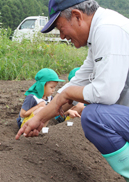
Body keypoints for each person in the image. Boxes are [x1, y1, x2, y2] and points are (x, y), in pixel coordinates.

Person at [15, 0, 129, 181]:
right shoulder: (100, 32)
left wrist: (67, 96)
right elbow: (77, 82)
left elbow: (105, 93)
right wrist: (41, 117)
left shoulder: (109, 29)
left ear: (77, 16)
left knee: (94, 116)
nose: (61, 36)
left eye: (61, 29)